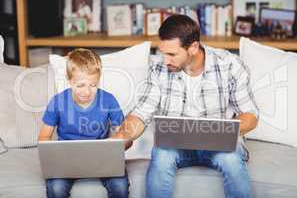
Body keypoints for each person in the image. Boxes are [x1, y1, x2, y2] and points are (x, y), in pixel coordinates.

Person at [112, 14, 259, 198]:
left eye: (172, 54)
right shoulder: (159, 69)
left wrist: (220, 131)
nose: (165, 60)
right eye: (162, 52)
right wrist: (121, 136)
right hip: (174, 146)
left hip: (218, 144)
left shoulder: (229, 65)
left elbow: (250, 116)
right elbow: (141, 114)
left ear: (193, 47)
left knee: (231, 159)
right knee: (162, 155)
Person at [39, 48, 129, 198]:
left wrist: (122, 141)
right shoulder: (57, 102)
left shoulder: (108, 100)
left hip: (103, 159)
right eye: (80, 85)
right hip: (65, 161)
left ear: (99, 80)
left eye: (93, 85)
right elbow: (43, 139)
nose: (87, 92)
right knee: (56, 189)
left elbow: (125, 134)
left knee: (120, 187)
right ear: (69, 80)